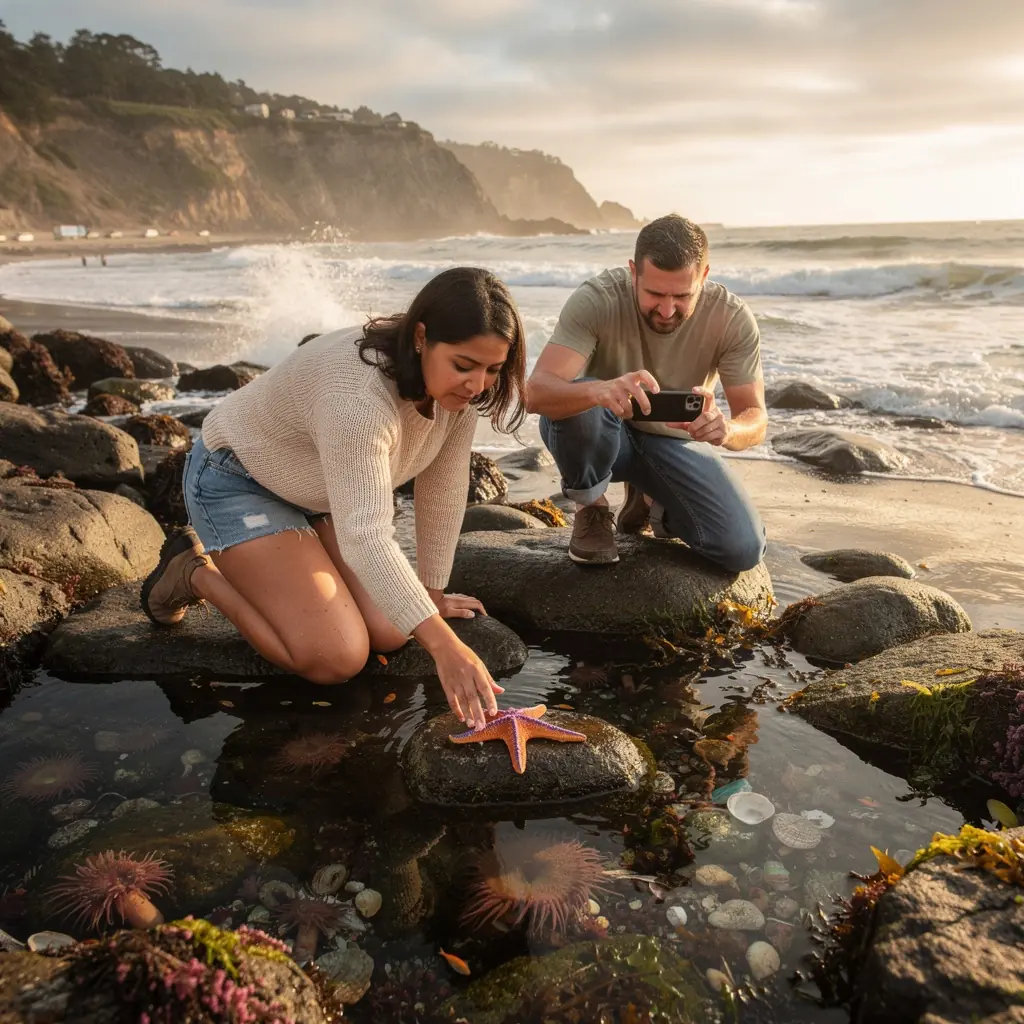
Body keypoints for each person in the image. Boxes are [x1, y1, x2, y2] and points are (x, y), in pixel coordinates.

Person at [140, 267, 527, 731]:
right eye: (464, 365)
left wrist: (431, 595)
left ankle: (299, 557)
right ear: (421, 337)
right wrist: (446, 647)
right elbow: (366, 537)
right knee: (336, 657)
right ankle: (194, 572)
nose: (478, 384)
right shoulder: (357, 399)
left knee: (392, 629)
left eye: (493, 369)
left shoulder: (460, 394)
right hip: (236, 478)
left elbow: (442, 487)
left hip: (319, 490)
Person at [526, 214, 767, 571]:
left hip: (674, 445)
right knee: (583, 407)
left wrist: (728, 430)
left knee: (742, 548)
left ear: (703, 276)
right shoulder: (598, 299)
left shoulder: (731, 318)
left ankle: (655, 506)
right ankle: (591, 508)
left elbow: (756, 418)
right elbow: (536, 392)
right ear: (633, 272)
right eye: (654, 293)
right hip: (601, 435)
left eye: (682, 296)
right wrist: (600, 391)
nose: (667, 310)